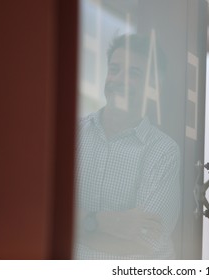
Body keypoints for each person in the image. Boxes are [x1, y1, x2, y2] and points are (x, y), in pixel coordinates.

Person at [74, 33, 181, 259]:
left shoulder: (163, 151)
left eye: (133, 73)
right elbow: (45, 215)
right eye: (114, 69)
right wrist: (101, 221)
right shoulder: (73, 135)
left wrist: (76, 224)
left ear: (151, 85)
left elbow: (143, 245)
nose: (119, 80)